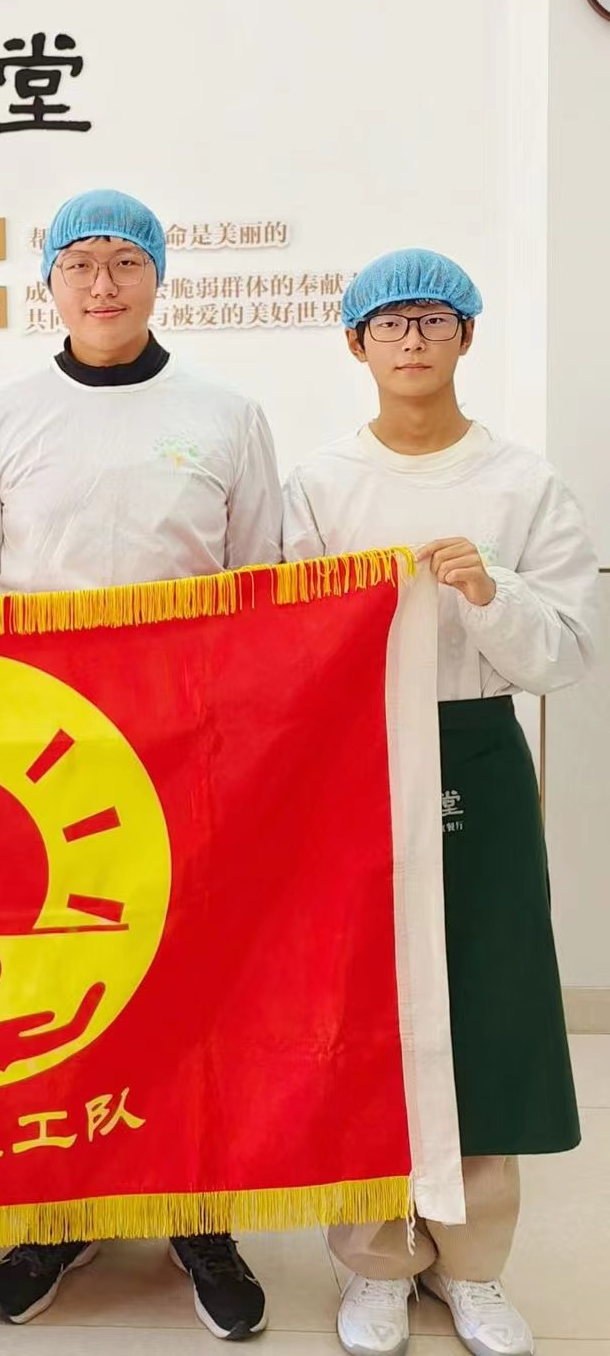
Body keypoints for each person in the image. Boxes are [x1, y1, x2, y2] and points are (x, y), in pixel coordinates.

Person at [0, 188, 281, 1341]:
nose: (101, 283)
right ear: (47, 282)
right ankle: (56, 1208)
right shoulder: (2, 418)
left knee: (188, 978)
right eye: (78, 262)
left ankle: (196, 1211)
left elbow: (257, 585)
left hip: (185, 745)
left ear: (156, 278)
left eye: (122, 262)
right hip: (40, 755)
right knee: (52, 979)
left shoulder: (223, 415)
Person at [282, 248, 596, 1356]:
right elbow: (286, 642)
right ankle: (372, 1258)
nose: (410, 340)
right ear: (354, 344)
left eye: (431, 320)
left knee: (484, 1003)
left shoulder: (521, 483)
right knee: (363, 1002)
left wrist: (488, 591)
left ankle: (473, 1265)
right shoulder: (319, 483)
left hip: (477, 744)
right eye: (388, 323)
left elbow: (566, 655)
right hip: (354, 757)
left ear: (466, 336)